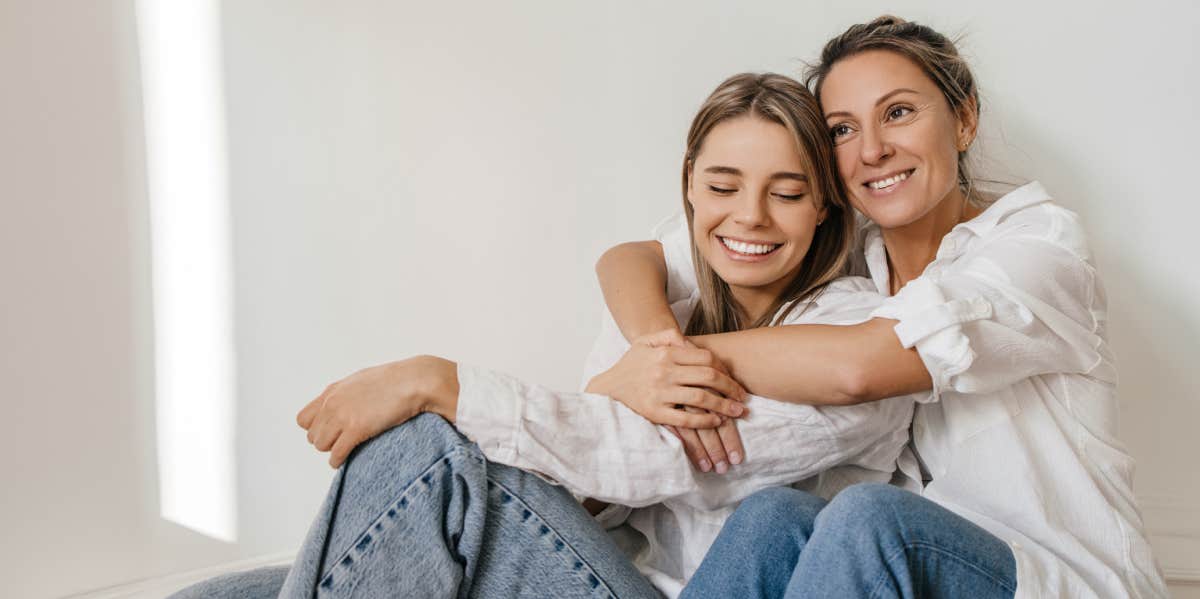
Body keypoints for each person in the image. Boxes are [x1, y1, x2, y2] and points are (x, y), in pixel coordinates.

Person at [171, 72, 917, 599]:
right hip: (598, 561)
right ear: (689, 182)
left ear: (823, 206)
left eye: (786, 193)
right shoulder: (674, 305)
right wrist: (637, 358)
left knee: (426, 449)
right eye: (723, 187)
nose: (749, 217)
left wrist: (440, 379)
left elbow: (639, 457)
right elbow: (589, 490)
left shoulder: (848, 334)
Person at [597, 16, 1168, 599]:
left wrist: (673, 363)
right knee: (775, 515)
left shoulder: (1039, 247)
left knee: (870, 517)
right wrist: (654, 346)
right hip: (891, 583)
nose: (872, 149)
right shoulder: (846, 260)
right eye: (843, 130)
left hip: (1052, 585)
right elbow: (636, 258)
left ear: (964, 119)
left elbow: (858, 368)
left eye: (898, 113)